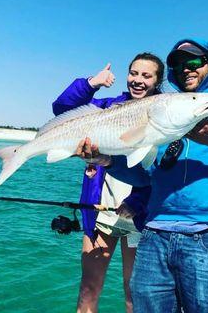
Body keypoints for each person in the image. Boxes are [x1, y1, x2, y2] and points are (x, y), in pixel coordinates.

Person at [76, 38, 208, 312]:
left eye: (194, 62)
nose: (186, 68)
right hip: (154, 233)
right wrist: (106, 160)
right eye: (177, 64)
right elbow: (147, 177)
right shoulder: (165, 109)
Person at [52, 53, 164, 313]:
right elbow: (62, 110)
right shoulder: (110, 106)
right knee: (89, 288)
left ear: (158, 82)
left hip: (140, 218)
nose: (137, 80)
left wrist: (137, 201)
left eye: (146, 76)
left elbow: (159, 175)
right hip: (101, 211)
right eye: (133, 73)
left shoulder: (164, 114)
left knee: (133, 293)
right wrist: (92, 83)